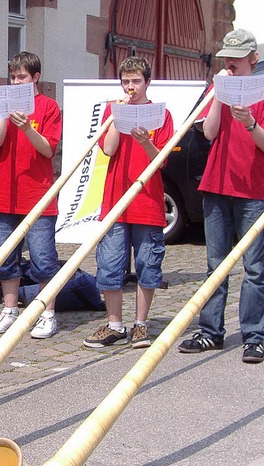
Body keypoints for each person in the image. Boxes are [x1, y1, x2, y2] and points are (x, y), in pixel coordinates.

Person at [178, 29, 264, 364]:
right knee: (215, 265)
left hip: (253, 189)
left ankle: (255, 336)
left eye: (237, 59)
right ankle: (211, 331)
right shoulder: (220, 87)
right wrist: (218, 95)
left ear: (252, 58)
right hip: (217, 184)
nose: (230, 63)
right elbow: (210, 132)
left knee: (255, 267)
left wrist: (250, 122)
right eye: (227, 57)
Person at [83, 56, 173, 349]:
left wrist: (146, 141)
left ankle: (141, 325)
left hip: (147, 201)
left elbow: (161, 162)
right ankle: (115, 325)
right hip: (116, 200)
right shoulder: (114, 111)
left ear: (147, 82)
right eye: (125, 81)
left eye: (135, 81)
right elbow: (108, 150)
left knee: (148, 264)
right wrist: (115, 121)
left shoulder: (162, 114)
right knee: (110, 265)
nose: (130, 87)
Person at [0, 51, 63, 339]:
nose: (16, 82)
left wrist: (28, 128)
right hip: (5, 193)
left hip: (38, 194)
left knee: (43, 259)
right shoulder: (2, 106)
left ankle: (47, 313)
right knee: (4, 257)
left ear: (35, 78)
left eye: (22, 77)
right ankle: (9, 309)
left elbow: (48, 149)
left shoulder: (49, 107)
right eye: (13, 77)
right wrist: (3, 117)